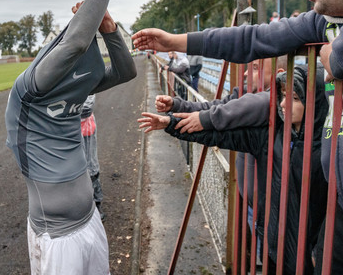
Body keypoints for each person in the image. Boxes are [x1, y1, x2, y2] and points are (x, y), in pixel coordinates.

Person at [132, 0, 343, 272]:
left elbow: (261, 103)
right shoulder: (325, 24)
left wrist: (334, 59)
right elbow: (252, 38)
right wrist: (176, 41)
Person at [5, 0, 138, 275]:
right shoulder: (30, 89)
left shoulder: (73, 88)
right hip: (57, 237)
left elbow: (126, 71)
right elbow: (76, 41)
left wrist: (110, 30)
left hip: (90, 220)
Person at [139, 65, 329, 274]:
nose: (282, 104)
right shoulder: (273, 135)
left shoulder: (327, 152)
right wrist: (170, 123)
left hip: (311, 256)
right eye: (283, 96)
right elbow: (220, 135)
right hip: (272, 245)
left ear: (316, 102)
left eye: (293, 98)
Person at [81, 95, 105, 220]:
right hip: (66, 133)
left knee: (91, 168)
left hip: (85, 130)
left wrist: (65, 110)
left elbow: (87, 108)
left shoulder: (84, 77)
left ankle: (97, 203)